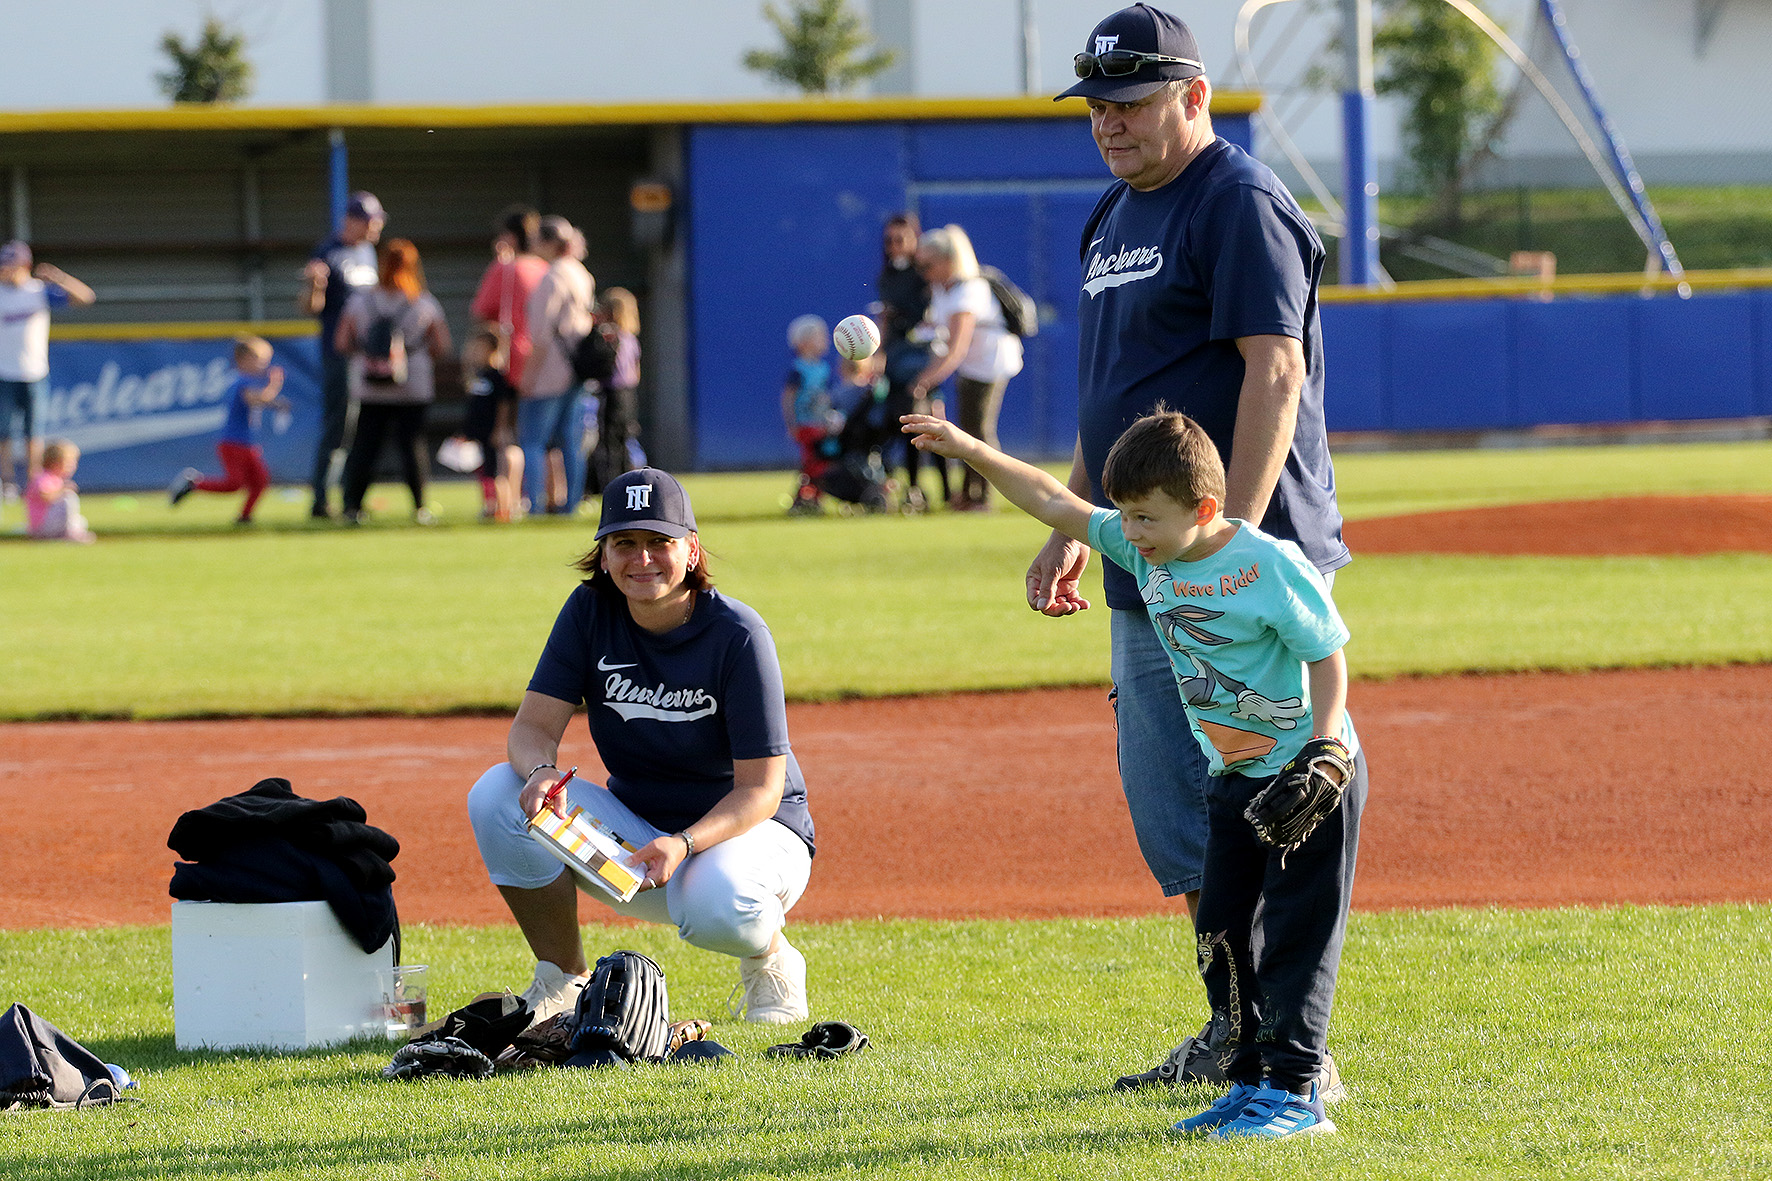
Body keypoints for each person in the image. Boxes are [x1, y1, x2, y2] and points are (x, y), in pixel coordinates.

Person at [1037, 3, 1351, 1091]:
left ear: (1193, 96)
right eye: (1095, 105)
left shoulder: (1238, 202)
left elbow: (1273, 371)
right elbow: (1111, 399)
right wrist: (1076, 521)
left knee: (1276, 799)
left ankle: (1291, 1046)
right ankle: (1229, 1024)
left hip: (1229, 563)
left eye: (1127, 101)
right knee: (1177, 808)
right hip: (1147, 562)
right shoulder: (1112, 214)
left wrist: (1239, 541)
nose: (1107, 123)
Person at [903, 406, 1363, 1140]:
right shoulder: (1145, 547)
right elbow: (1055, 500)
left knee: (1296, 938)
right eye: (1126, 516)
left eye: (1146, 517)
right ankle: (1248, 1082)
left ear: (1205, 509)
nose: (1132, 533)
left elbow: (1327, 653)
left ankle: (1297, 1094)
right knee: (1221, 933)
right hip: (1233, 778)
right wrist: (965, 447)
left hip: (1306, 778)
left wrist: (1329, 747)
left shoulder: (1265, 565)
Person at [465, 467, 815, 1026]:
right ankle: (562, 981)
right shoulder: (589, 612)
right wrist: (539, 772)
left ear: (693, 550)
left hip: (750, 838)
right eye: (624, 543)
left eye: (660, 542)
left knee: (716, 904)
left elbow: (762, 790)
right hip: (640, 844)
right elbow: (531, 731)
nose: (642, 559)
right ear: (602, 554)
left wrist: (683, 841)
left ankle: (770, 957)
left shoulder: (739, 635)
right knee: (497, 793)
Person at [334, 239, 450, 525]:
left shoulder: (360, 301)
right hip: (413, 385)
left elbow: (341, 342)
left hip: (370, 384)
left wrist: (370, 353)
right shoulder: (423, 302)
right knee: (412, 445)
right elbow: (441, 346)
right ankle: (420, 507)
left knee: (365, 447)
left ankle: (352, 507)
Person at [908, 224, 1022, 511]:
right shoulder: (943, 289)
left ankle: (983, 497)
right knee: (967, 431)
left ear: (948, 261)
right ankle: (967, 494)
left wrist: (925, 380)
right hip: (971, 366)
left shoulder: (969, 291)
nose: (923, 272)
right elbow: (935, 328)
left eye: (927, 265)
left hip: (990, 363)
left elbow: (956, 348)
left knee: (980, 430)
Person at [300, 191, 385, 520]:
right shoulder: (328, 253)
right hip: (340, 355)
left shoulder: (368, 252)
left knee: (363, 428)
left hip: (369, 356)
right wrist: (315, 287)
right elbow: (310, 308)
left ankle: (352, 499)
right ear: (350, 220)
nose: (375, 226)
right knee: (340, 427)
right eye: (369, 220)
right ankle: (321, 500)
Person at [0, 241, 94, 500]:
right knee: (4, 433)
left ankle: (34, 484)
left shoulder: (39, 291)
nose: (6, 271)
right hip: (3, 373)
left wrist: (59, 278)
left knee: (34, 435)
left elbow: (86, 297)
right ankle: (6, 484)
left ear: (25, 266)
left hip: (34, 372)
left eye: (11, 266)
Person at [169, 336, 290, 525]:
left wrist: (277, 403)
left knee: (260, 481)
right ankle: (193, 484)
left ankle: (245, 517)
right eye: (260, 360)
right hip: (234, 443)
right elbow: (255, 399)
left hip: (248, 444)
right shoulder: (241, 381)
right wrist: (274, 386)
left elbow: (259, 400)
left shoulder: (246, 383)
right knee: (234, 484)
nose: (264, 366)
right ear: (244, 360)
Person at [519, 216, 594, 516]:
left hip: (551, 371)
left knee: (533, 440)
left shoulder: (552, 278)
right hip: (578, 369)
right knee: (572, 441)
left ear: (550, 243)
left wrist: (528, 375)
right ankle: (572, 503)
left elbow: (540, 335)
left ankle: (534, 504)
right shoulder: (582, 273)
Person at [871, 213, 944, 513]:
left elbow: (935, 312)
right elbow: (886, 318)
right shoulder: (886, 277)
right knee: (905, 423)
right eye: (889, 240)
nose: (894, 245)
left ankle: (945, 490)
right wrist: (877, 354)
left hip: (923, 358)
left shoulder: (925, 275)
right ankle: (909, 488)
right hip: (899, 358)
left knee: (933, 421)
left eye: (901, 239)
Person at [469, 205, 549, 395]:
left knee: (503, 422)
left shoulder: (505, 269)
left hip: (510, 359)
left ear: (510, 237)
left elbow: (480, 310)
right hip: (541, 358)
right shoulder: (545, 269)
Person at [455, 327, 522, 522]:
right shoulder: (477, 376)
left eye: (480, 349)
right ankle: (488, 505)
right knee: (482, 472)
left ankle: (503, 507)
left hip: (491, 432)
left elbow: (503, 405)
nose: (475, 353)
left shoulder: (497, 376)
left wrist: (500, 429)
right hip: (477, 432)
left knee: (495, 471)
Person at [585, 286, 644, 495]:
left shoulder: (611, 338)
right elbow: (635, 372)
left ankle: (609, 485)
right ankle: (625, 481)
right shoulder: (631, 338)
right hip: (629, 394)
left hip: (612, 393)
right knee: (624, 439)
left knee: (608, 442)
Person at [780, 314, 838, 515]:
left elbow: (827, 398)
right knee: (812, 462)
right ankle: (803, 497)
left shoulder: (824, 368)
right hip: (806, 424)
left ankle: (814, 496)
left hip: (821, 423)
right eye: (820, 337)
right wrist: (791, 424)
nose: (826, 341)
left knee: (823, 460)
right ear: (803, 343)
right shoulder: (798, 369)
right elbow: (788, 398)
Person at [25, 438, 94, 543]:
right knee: (68, 498)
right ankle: (69, 534)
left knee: (80, 521)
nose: (73, 466)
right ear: (55, 463)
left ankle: (70, 532)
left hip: (50, 525)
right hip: (42, 526)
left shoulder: (56, 480)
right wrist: (62, 491)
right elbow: (46, 496)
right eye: (69, 463)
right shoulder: (43, 478)